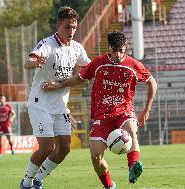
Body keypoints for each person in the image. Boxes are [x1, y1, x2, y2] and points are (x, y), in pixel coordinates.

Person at [42, 31, 157, 188]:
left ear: (126, 47)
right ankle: (109, 185)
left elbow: (152, 83)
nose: (117, 54)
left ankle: (133, 166)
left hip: (124, 111)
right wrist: (59, 84)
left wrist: (146, 109)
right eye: (114, 50)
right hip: (102, 117)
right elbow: (80, 78)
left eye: (121, 50)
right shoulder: (98, 63)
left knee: (131, 130)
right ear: (109, 47)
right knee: (95, 156)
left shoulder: (133, 65)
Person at [20, 6, 90, 189]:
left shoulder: (77, 48)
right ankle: (26, 183)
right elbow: (27, 62)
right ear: (58, 25)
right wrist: (35, 62)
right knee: (46, 147)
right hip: (40, 103)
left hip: (60, 106)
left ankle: (38, 180)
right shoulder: (47, 44)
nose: (71, 31)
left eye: (74, 27)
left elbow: (87, 72)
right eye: (68, 27)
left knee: (65, 148)